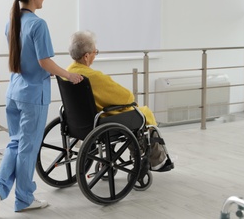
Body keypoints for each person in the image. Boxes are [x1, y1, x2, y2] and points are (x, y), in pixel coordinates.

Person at [0, 0, 83, 218]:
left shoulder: (12, 22)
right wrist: (68, 76)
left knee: (15, 144)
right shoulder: (38, 24)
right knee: (27, 149)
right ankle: (24, 199)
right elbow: (44, 62)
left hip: (14, 91)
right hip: (32, 95)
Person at [67, 30, 173, 172]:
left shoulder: (68, 73)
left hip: (78, 121)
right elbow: (127, 97)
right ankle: (156, 160)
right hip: (101, 121)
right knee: (142, 114)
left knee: (132, 112)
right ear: (86, 56)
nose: (95, 55)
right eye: (95, 52)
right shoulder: (93, 77)